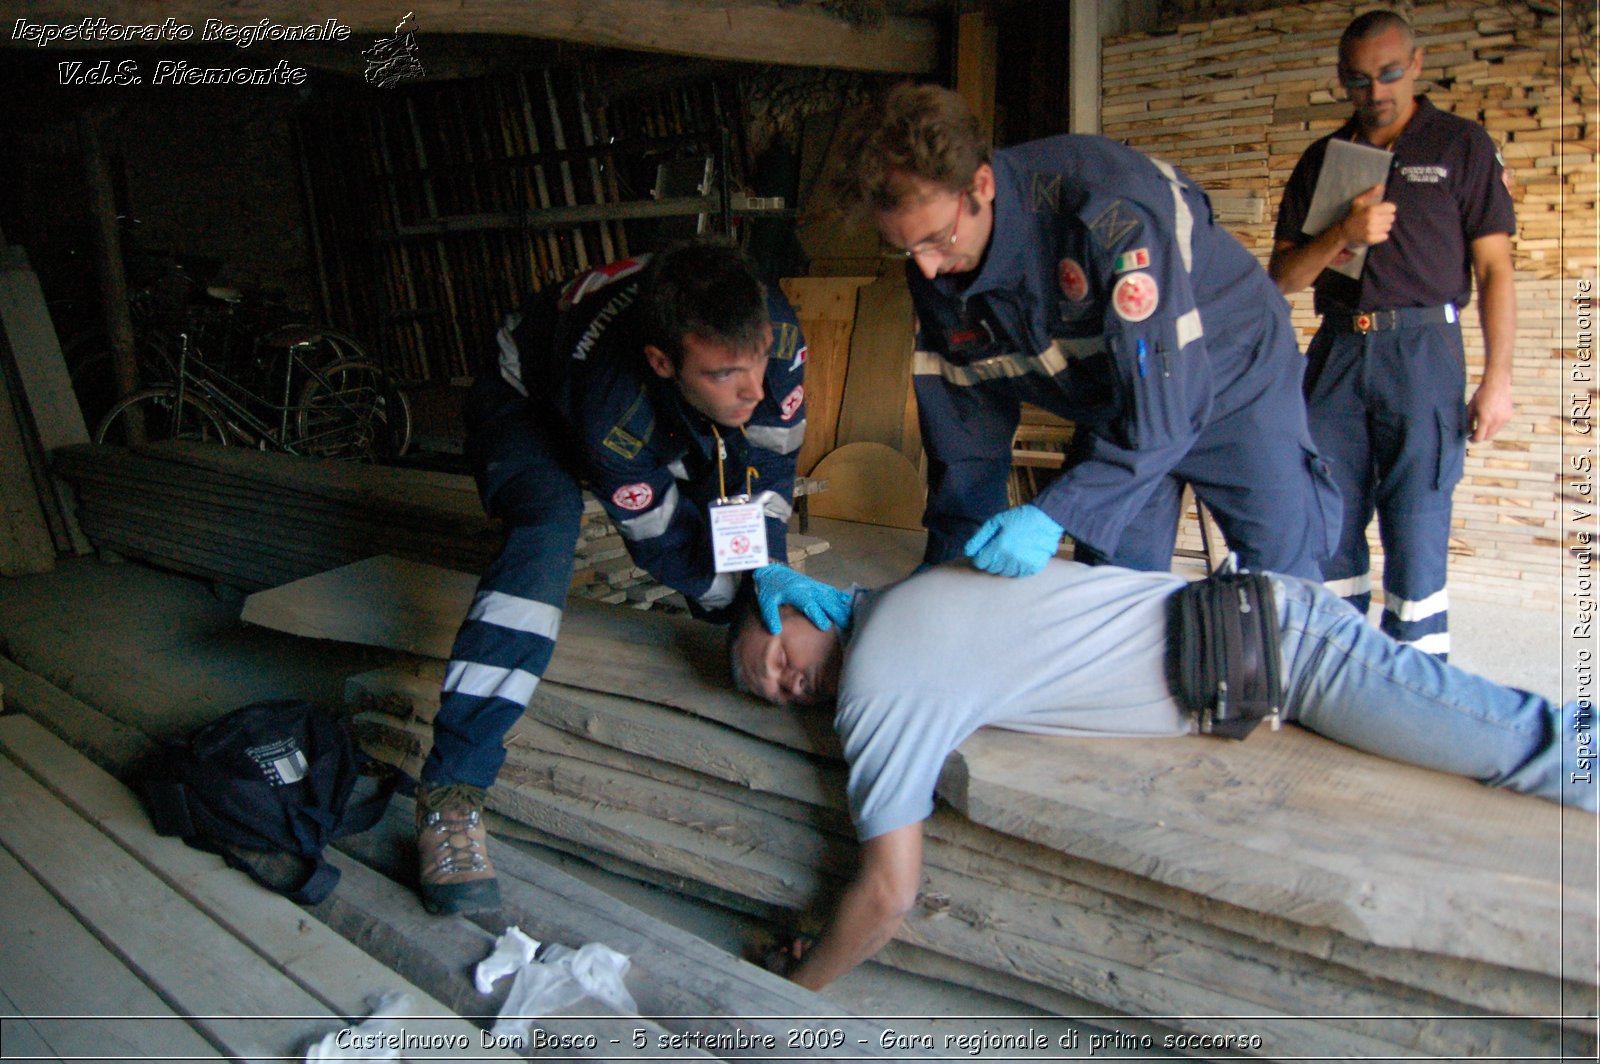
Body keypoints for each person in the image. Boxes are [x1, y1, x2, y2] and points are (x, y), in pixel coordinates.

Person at [729, 561, 1593, 990]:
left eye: (773, 653)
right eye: (766, 692)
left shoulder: (882, 672)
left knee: (1527, 746)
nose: (781, 682)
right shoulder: (911, 597)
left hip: (1291, 655)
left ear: (802, 606)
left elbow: (888, 896)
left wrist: (796, 993)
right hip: (1260, 642)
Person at [415, 241, 852, 915]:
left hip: (654, 392)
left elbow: (766, 460)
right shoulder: (612, 405)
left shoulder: (770, 330)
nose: (755, 388)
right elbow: (663, 542)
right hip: (527, 399)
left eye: (759, 360)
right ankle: (452, 796)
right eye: (727, 374)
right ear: (661, 361)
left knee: (728, 464)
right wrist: (742, 614)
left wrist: (767, 566)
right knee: (546, 528)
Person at [830, 84, 1341, 581]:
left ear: (980, 186)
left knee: (1283, 579)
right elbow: (964, 432)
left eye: (937, 239)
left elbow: (1165, 408)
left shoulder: (1108, 215)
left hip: (1235, 380)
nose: (925, 268)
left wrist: (1056, 514)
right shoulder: (934, 268)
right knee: (1109, 596)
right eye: (905, 248)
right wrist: (947, 572)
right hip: (1120, 405)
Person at [1269, 11, 1517, 658]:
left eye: (1388, 74)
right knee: (1328, 514)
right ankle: (1335, 667)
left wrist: (1498, 379)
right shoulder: (1325, 158)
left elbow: (1494, 270)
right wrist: (1340, 237)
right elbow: (1285, 278)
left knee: (1417, 520)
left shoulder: (1461, 145)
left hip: (1424, 353)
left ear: (1417, 64)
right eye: (1357, 80)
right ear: (1342, 80)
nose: (1375, 92)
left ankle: (1417, 679)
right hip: (1338, 353)